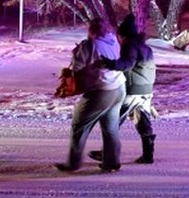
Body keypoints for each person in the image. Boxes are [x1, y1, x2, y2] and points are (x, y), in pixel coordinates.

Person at [55, 18, 126, 173]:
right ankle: (112, 162)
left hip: (101, 90)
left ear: (91, 30)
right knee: (110, 128)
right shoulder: (113, 40)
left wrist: (76, 53)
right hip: (119, 87)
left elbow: (78, 67)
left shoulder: (89, 45)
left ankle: (73, 163)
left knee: (79, 125)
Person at [89, 14, 158, 164]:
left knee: (112, 121)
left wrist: (109, 63)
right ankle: (148, 154)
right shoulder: (146, 47)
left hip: (133, 90)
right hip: (146, 90)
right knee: (143, 121)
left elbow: (127, 64)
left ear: (124, 35)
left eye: (119, 36)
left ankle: (107, 154)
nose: (118, 39)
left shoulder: (130, 46)